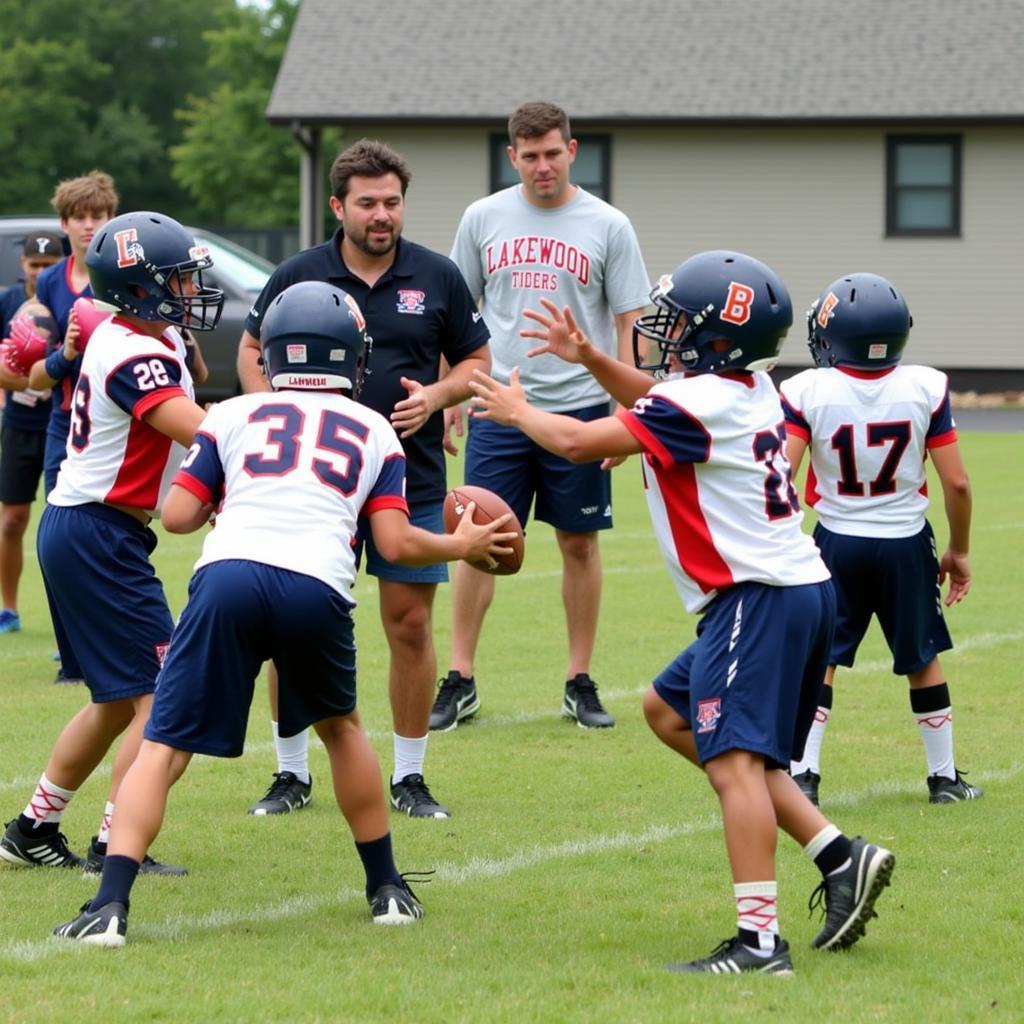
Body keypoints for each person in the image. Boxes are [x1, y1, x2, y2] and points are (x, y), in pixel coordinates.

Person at [467, 250, 895, 974]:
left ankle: (759, 943)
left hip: (755, 596)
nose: (664, 339)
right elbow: (653, 403)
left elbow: (576, 441)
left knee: (734, 762)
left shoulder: (693, 404)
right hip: (795, 589)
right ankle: (839, 854)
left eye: (677, 326)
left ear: (715, 339)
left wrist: (519, 412)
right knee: (670, 711)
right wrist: (591, 359)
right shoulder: (752, 386)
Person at [52, 281, 516, 946]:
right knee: (342, 732)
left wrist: (235, 497)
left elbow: (179, 517)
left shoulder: (233, 414)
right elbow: (394, 544)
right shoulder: (374, 428)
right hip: (315, 587)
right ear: (352, 357)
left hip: (227, 578)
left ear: (270, 355)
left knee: (163, 746)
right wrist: (462, 544)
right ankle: (386, 888)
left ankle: (110, 907)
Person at [237, 139, 490, 818]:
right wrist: (275, 409)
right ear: (337, 206)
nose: (383, 215)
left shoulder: (437, 275)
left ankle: (409, 777)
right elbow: (252, 349)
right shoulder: (298, 272)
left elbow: (476, 363)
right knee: (293, 621)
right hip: (312, 481)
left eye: (393, 202)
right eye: (368, 203)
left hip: (412, 474)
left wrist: (437, 397)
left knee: (408, 623)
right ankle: (291, 774)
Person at [0, 210, 223, 876]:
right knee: (167, 698)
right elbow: (199, 433)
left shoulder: (139, 335)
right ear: (140, 286)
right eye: (178, 280)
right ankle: (115, 840)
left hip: (86, 528)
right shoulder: (136, 351)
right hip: (100, 534)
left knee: (112, 700)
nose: (190, 291)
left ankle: (34, 825)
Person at [435, 100, 651, 732]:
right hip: (500, 403)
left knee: (578, 543)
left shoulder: (609, 225)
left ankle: (578, 680)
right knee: (476, 539)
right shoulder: (483, 218)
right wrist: (456, 391)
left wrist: (624, 404)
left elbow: (628, 320)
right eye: (529, 156)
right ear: (513, 158)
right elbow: (459, 312)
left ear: (572, 150)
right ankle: (461, 677)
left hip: (580, 410)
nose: (542, 166)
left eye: (552, 153)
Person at [780, 273, 981, 807]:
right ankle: (943, 778)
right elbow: (956, 483)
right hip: (905, 542)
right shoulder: (925, 386)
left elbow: (783, 474)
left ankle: (804, 774)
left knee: (820, 658)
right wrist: (958, 551)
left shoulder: (806, 390)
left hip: (835, 540)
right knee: (922, 658)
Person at [26, 171, 118, 683]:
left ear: (110, 221)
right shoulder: (49, 282)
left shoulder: (121, 276)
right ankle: (72, 658)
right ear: (64, 224)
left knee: (111, 535)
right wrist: (68, 351)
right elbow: (38, 370)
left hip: (117, 421)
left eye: (97, 216)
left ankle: (111, 643)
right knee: (55, 536)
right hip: (67, 422)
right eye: (79, 218)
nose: (88, 226)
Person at [0, 231, 63, 634]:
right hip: (20, 426)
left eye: (49, 264)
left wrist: (50, 377)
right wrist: (29, 383)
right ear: (23, 264)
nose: (41, 271)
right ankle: (9, 608)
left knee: (62, 528)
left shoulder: (67, 299)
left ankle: (67, 620)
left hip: (62, 424)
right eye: (35, 264)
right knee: (11, 521)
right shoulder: (8, 302)